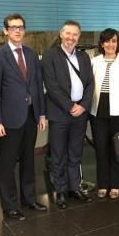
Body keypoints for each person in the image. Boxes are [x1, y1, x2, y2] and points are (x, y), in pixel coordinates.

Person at [0, 14, 47, 221]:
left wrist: (41, 113)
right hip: (9, 119)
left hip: (31, 117)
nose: (17, 31)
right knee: (7, 164)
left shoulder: (31, 55)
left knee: (29, 161)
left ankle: (28, 199)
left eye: (21, 27)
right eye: (13, 27)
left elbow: (37, 87)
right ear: (5, 30)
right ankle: (10, 205)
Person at [41, 20, 94, 209]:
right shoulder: (49, 56)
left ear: (78, 37)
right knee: (58, 155)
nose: (71, 38)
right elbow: (51, 86)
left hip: (80, 113)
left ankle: (74, 187)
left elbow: (90, 85)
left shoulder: (84, 57)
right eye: (68, 34)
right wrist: (70, 106)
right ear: (61, 34)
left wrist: (83, 106)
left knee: (75, 153)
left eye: (75, 35)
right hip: (59, 113)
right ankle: (61, 191)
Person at [90, 28, 119, 199]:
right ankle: (102, 184)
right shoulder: (94, 61)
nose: (111, 44)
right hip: (98, 111)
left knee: (117, 150)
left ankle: (115, 184)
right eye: (107, 41)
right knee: (100, 149)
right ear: (102, 44)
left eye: (114, 41)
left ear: (118, 43)